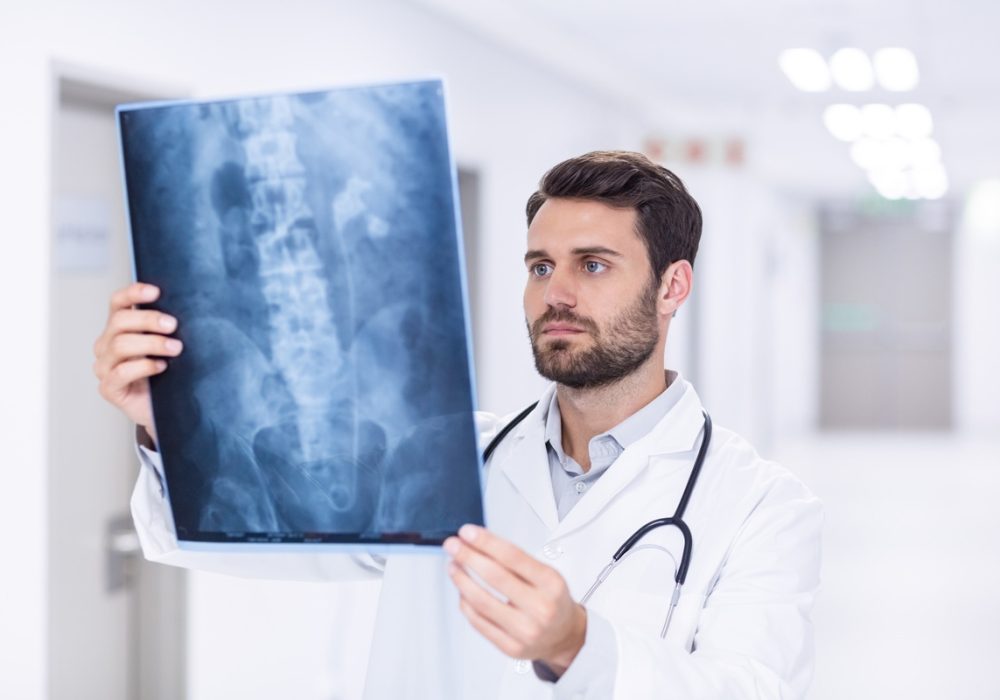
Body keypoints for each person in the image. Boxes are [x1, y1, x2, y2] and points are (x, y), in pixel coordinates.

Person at [94, 150, 822, 699]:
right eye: (540, 266)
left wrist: (579, 646)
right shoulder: (443, 453)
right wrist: (169, 428)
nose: (556, 294)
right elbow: (247, 535)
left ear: (672, 287)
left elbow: (746, 685)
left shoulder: (762, 504)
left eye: (593, 265)